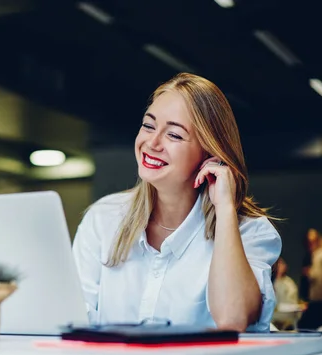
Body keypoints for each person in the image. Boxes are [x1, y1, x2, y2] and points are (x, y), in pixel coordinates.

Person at [72, 73, 281, 333]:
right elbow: (77, 320)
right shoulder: (103, 219)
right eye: (149, 126)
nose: (152, 143)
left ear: (210, 155)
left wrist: (225, 210)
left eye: (174, 135)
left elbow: (233, 319)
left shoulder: (250, 231)